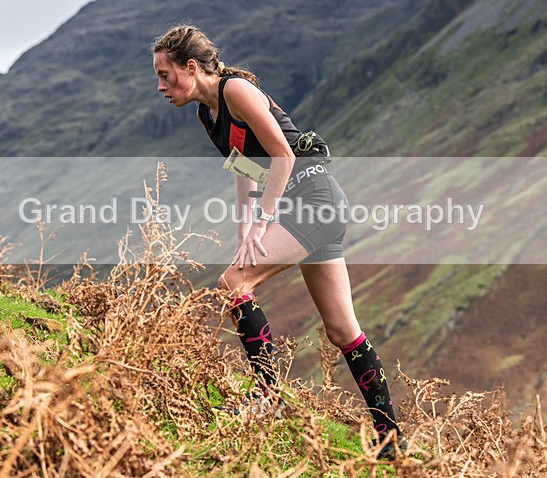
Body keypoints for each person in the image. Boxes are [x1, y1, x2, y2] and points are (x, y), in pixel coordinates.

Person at [152, 24, 404, 458]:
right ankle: (391, 444)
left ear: (191, 68)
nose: (160, 86)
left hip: (315, 199)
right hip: (303, 209)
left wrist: (263, 222)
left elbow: (284, 156)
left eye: (165, 74)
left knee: (234, 284)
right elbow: (247, 172)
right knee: (343, 329)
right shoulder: (207, 115)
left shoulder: (236, 92)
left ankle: (267, 399)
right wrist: (244, 235)